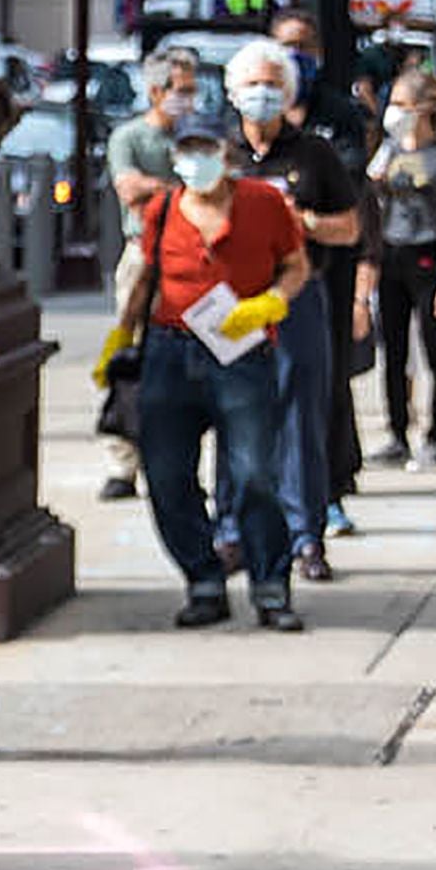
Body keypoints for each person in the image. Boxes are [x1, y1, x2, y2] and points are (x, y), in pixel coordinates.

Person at [118, 115, 314, 630]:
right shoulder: (161, 210)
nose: (196, 161)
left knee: (254, 475)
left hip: (241, 352)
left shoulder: (263, 204)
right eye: (187, 151)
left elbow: (297, 265)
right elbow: (146, 277)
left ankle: (270, 586)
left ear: (226, 156)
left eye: (206, 149)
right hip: (170, 350)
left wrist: (271, 302)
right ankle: (203, 577)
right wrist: (122, 338)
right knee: (165, 474)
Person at [218, 41, 363, 581]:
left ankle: (306, 537)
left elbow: (350, 227)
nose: (262, 95)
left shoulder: (314, 154)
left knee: (301, 417)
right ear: (234, 94)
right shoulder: (221, 154)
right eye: (253, 85)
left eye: (273, 85)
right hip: (235, 300)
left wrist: (300, 222)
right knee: (235, 413)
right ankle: (231, 531)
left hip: (299, 296)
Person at [360, 71, 436, 471]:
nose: (395, 112)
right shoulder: (391, 148)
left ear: (423, 109)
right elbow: (372, 191)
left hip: (430, 254)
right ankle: (397, 432)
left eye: (402, 105)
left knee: (435, 350)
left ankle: (434, 435)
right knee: (392, 352)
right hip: (391, 253)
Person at [95, 48, 196, 502]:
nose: (189, 99)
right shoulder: (130, 137)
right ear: (157, 91)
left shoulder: (198, 135)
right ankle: (123, 462)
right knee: (128, 353)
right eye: (182, 89)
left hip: (193, 257)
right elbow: (129, 188)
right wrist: (178, 187)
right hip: (143, 254)